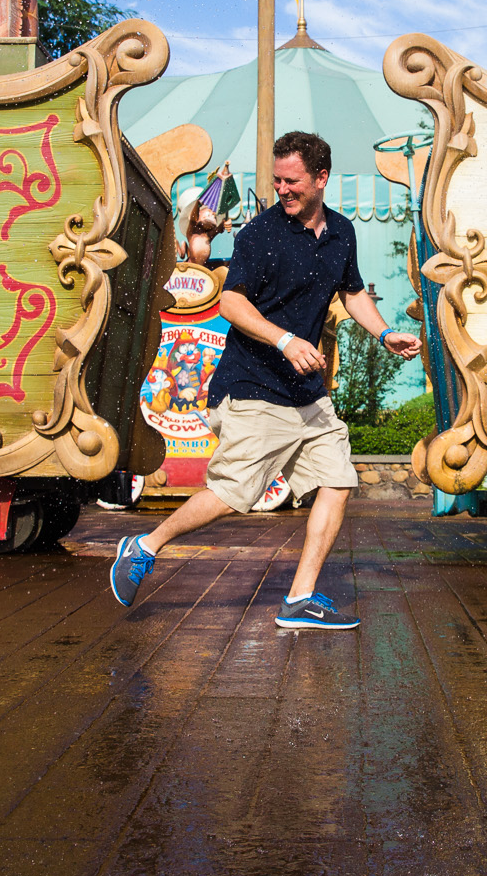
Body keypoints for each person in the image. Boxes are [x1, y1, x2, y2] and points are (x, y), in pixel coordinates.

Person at [109, 131, 421, 629]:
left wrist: (384, 335)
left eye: (292, 180)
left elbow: (353, 290)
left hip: (307, 395)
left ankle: (300, 599)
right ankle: (143, 546)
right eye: (277, 180)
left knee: (338, 482)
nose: (283, 189)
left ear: (321, 178)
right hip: (253, 385)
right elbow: (231, 302)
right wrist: (285, 340)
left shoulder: (341, 232)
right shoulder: (261, 235)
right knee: (235, 494)